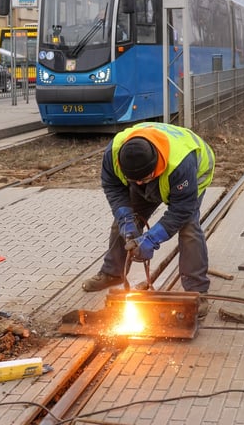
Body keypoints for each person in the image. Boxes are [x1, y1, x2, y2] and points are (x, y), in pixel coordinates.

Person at [82, 122, 216, 317]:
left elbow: (181, 210)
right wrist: (126, 220)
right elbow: (113, 187)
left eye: (143, 179)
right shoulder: (114, 153)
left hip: (192, 179)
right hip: (157, 177)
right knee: (122, 224)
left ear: (156, 166)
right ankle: (112, 273)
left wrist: (152, 239)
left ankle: (197, 290)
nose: (138, 183)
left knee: (189, 228)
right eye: (133, 179)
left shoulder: (180, 163)